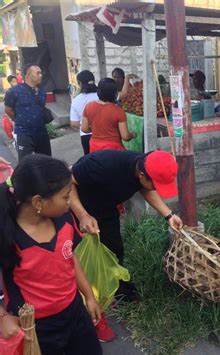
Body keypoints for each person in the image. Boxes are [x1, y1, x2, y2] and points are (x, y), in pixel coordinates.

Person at [69, 149, 183, 341]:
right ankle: (86, 308)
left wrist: (169, 215)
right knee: (80, 261)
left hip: (105, 209)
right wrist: (82, 215)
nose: (156, 188)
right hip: (77, 209)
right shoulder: (102, 166)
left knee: (114, 250)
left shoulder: (143, 168)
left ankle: (121, 294)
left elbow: (146, 189)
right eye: (156, 184)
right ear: (141, 175)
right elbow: (67, 181)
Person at [0, 154, 102, 354]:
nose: (69, 202)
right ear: (38, 202)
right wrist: (2, 318)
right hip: (36, 327)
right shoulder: (7, 235)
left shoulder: (64, 220)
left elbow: (69, 258)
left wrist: (89, 296)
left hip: (74, 312)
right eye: (65, 196)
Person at [4, 64, 51, 160]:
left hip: (41, 131)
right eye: (37, 73)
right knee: (26, 162)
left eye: (41, 73)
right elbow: (8, 110)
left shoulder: (42, 90)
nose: (40, 75)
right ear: (28, 75)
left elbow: (42, 107)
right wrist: (18, 119)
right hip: (24, 133)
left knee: (46, 160)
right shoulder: (14, 92)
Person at [81, 78, 136, 153]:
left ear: (98, 91)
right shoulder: (118, 111)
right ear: (115, 94)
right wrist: (133, 135)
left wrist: (96, 128)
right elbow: (125, 136)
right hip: (113, 150)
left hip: (95, 147)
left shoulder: (88, 106)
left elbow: (84, 129)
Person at [70, 70, 98, 155]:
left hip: (85, 135)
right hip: (104, 134)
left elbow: (74, 123)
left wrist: (87, 128)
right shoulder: (101, 95)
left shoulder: (76, 100)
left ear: (79, 83)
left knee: (90, 161)